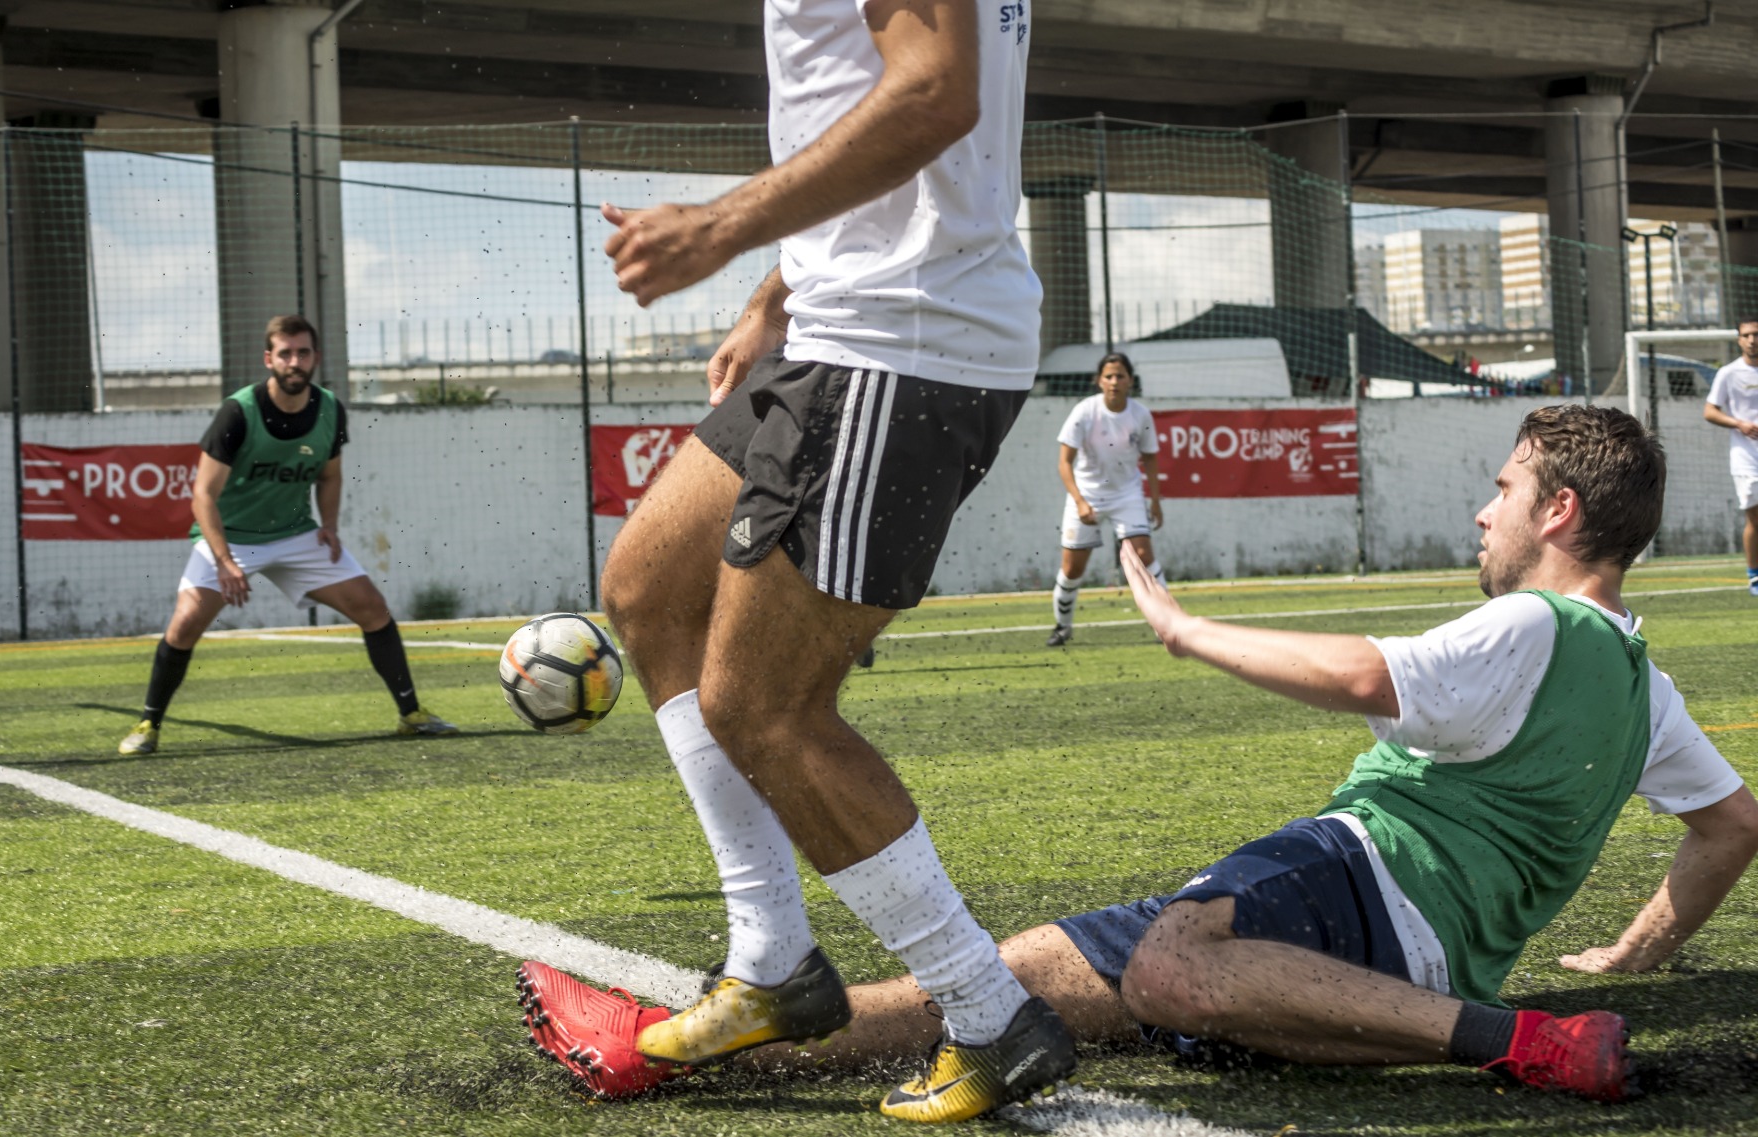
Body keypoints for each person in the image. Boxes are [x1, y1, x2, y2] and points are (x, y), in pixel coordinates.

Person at [519, 405, 1758, 1107]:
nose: (1483, 512)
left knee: (1170, 962)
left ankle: (1520, 1044)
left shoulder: (1533, 621)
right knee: (1013, 983)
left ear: (1558, 515)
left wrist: (1183, 626)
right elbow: (1730, 826)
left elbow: (1365, 676)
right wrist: (1640, 950)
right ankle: (652, 1045)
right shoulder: (1644, 684)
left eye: (1503, 489)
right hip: (1408, 948)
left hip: (1362, 880)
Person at [517, 0, 1074, 1123]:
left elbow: (936, 94)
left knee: (764, 709)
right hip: (835, 326)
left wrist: (721, 227)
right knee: (648, 589)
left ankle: (990, 1016)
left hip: (903, 346)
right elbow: (874, 105)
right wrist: (776, 292)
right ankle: (773, 956)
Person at [116, 315, 456, 756]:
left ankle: (411, 715)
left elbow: (330, 476)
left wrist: (329, 527)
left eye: (303, 352)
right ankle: (148, 725)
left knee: (373, 608)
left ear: (315, 357)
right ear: (269, 359)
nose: (295, 362)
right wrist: (224, 560)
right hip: (231, 537)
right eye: (286, 353)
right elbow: (203, 495)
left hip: (296, 535)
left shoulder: (330, 409)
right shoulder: (239, 412)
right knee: (184, 624)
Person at [1048, 351, 1165, 647]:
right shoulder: (1084, 412)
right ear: (1099, 381)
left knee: (1143, 556)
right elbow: (1064, 463)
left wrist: (1155, 500)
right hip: (1086, 495)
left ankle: (1167, 625)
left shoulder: (1140, 414)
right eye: (1109, 376)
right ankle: (1062, 627)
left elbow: (1150, 459)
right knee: (1073, 568)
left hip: (1127, 494)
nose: (1114, 381)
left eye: (1120, 376)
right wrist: (1080, 502)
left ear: (1130, 381)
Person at [1702, 317, 1758, 595]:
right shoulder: (1728, 373)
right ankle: (1754, 576)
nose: (1752, 340)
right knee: (1755, 518)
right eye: (1747, 335)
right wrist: (1740, 424)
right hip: (1746, 458)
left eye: (1756, 334)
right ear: (1739, 339)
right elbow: (1710, 411)